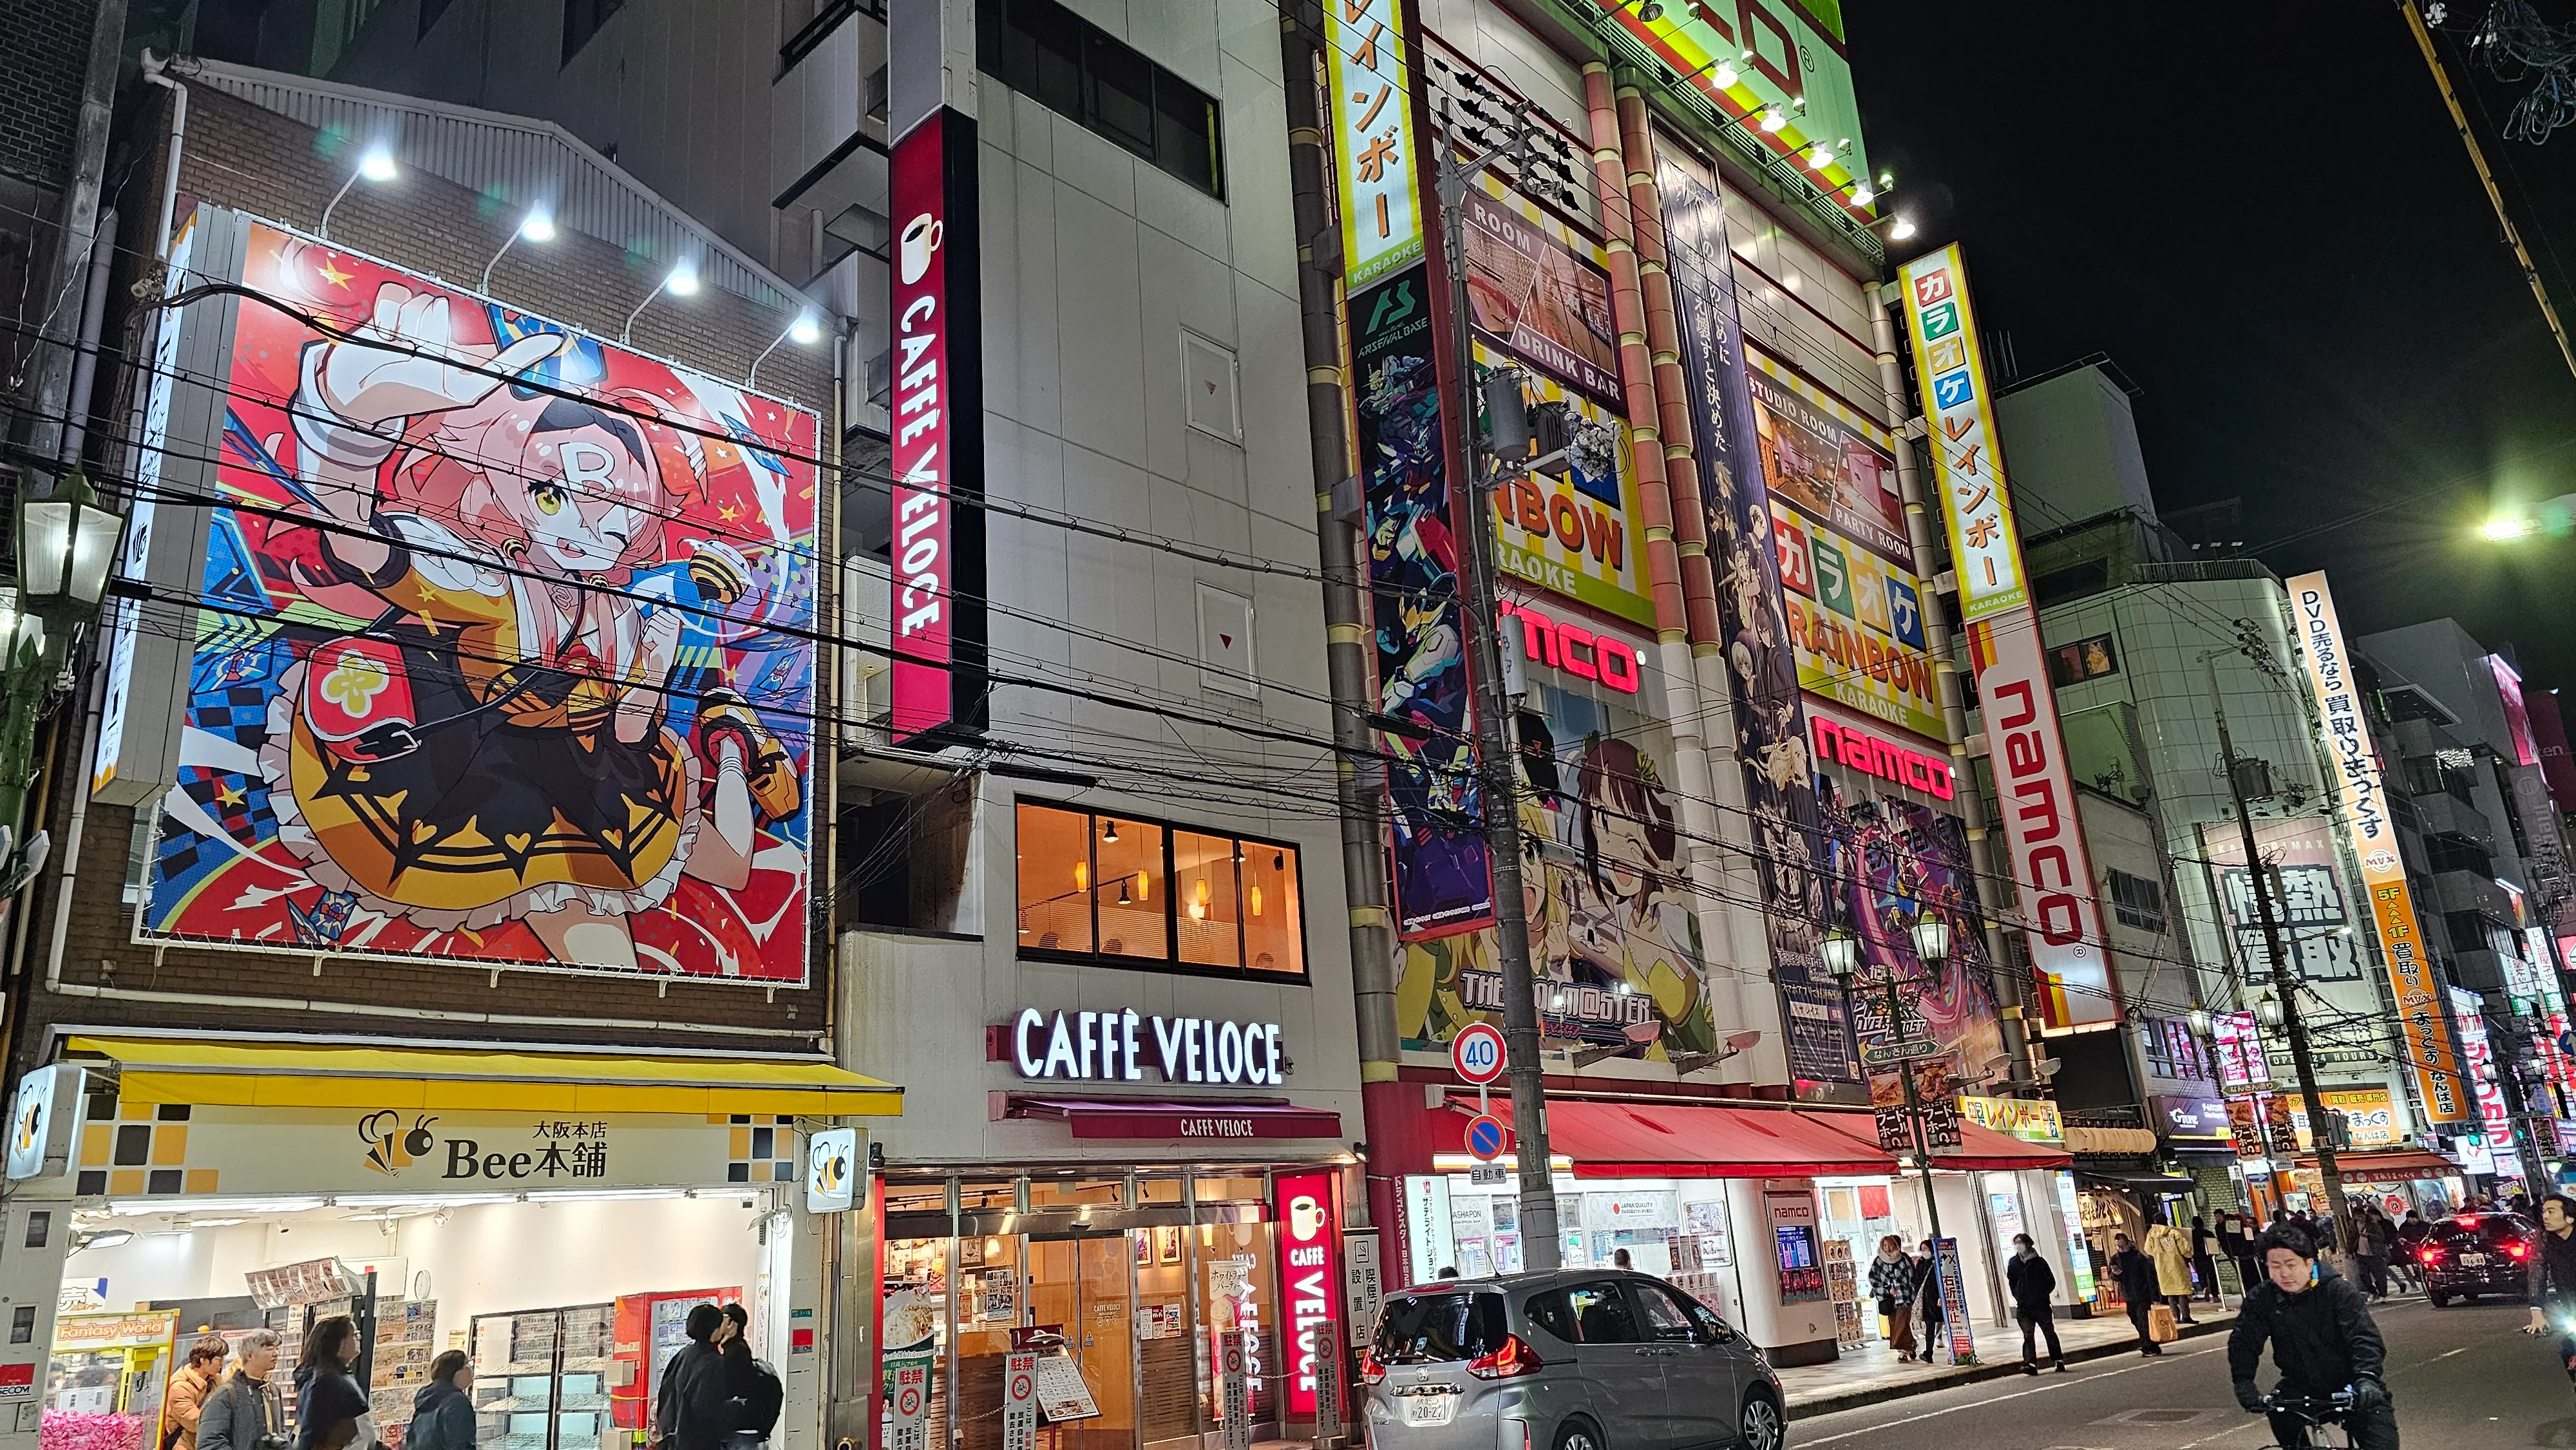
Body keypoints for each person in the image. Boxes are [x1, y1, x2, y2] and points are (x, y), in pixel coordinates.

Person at [2229, 1220, 2396, 1450]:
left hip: (2353, 1382)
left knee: (2381, 1439)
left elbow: (2363, 1337)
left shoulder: (2337, 1291)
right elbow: (2244, 1340)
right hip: (2301, 1384)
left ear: (2309, 1263)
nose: (2284, 1273)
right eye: (2275, 1266)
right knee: (2280, 1415)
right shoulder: (2263, 1298)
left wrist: (2367, 1378)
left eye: (2291, 1264)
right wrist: (2244, 1382)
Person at [2523, 1192, 2576, 1403]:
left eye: (2551, 1212)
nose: (2545, 1216)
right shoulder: (2543, 1239)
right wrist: (2537, 1311)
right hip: (2570, 1303)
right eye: (2544, 1212)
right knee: (2568, 1346)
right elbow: (2537, 1271)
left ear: (2569, 1218)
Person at [198, 1331, 282, 1450]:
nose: (276, 1354)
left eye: (277, 1348)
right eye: (269, 1349)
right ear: (249, 1356)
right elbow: (210, 1443)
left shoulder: (273, 1390)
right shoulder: (226, 1394)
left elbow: (280, 1430)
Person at [293, 1317, 368, 1450]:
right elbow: (311, 1432)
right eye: (355, 1334)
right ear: (339, 1342)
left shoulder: (331, 1376)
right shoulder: (327, 1381)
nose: (360, 1338)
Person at [656, 1305, 724, 1450]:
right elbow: (706, 1407)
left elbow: (665, 1395)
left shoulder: (682, 1355)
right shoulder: (714, 1362)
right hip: (699, 1442)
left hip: (675, 1441)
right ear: (714, 1330)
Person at [2005, 1234, 2067, 1375]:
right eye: (2015, 1243)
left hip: (2041, 1305)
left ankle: (2058, 1360)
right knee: (2028, 1335)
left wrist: (2042, 1294)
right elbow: (2012, 1282)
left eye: (2020, 1242)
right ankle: (2030, 1364)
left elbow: (2050, 1281)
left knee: (2049, 1332)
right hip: (2023, 1306)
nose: (2017, 1245)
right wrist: (2019, 1296)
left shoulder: (2039, 1262)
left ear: (2028, 1244)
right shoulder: (2013, 1263)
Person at [169, 1334, 231, 1450]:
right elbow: (197, 1423)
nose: (222, 1364)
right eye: (219, 1359)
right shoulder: (180, 1387)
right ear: (203, 1360)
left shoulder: (215, 1379)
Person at [404, 1352, 475, 1450]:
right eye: (467, 1364)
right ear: (455, 1372)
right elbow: (460, 1443)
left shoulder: (425, 1399)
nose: (470, 1369)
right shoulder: (457, 1401)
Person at [2108, 1232, 2163, 1356]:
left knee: (2143, 1320)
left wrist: (2155, 1297)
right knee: (2135, 1319)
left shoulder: (2139, 1257)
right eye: (2118, 1247)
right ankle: (2151, 1344)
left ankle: (2147, 1346)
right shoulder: (2115, 1259)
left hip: (2142, 1294)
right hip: (2128, 1295)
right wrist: (2115, 1275)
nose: (2121, 1249)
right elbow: (2114, 1276)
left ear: (2128, 1243)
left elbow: (2151, 1277)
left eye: (2122, 1246)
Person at [1868, 1235, 1918, 1362]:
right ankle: (1911, 1346)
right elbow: (1873, 1278)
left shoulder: (1903, 1260)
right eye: (1885, 1246)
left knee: (1902, 1323)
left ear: (1895, 1245)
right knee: (1895, 1323)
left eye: (1890, 1245)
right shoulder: (1878, 1262)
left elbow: (1911, 1278)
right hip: (1888, 1299)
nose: (1888, 1248)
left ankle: (1903, 1352)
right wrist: (1883, 1292)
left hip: (1904, 1298)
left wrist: (1912, 1295)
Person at [2145, 1212, 2196, 1325]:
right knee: (2182, 1292)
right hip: (2177, 1266)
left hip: (2162, 1267)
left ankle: (2176, 1318)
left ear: (2155, 1222)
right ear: (2166, 1221)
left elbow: (2148, 1250)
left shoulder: (2151, 1235)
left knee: (2170, 1293)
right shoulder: (2174, 1233)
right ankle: (2186, 1317)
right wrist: (2189, 1256)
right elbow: (2185, 1250)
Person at [1912, 1239, 1947, 1364]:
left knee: (1946, 1323)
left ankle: (1955, 1350)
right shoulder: (1921, 1264)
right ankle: (1928, 1353)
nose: (1924, 1252)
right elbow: (1917, 1281)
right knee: (1930, 1328)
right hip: (1926, 1302)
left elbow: (1942, 1280)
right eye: (1922, 1249)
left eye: (1926, 1249)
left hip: (1937, 1300)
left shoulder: (1939, 1262)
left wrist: (1941, 1296)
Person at [2355, 1206, 2394, 1301]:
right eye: (2357, 1217)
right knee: (2363, 1276)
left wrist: (2368, 1236)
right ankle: (2373, 1292)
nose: (2360, 1219)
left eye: (2361, 1216)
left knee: (2379, 1275)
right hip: (2360, 1254)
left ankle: (2382, 1294)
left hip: (2374, 1253)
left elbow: (2381, 1237)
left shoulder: (2373, 1224)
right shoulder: (2353, 1225)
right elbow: (2350, 1238)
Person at [2190, 1216, 2221, 1303]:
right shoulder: (2208, 1233)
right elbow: (2215, 1245)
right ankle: (2215, 1295)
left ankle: (2204, 1288)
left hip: (2198, 1258)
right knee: (2212, 1276)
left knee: (2201, 1275)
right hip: (2209, 1258)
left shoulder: (2192, 1234)